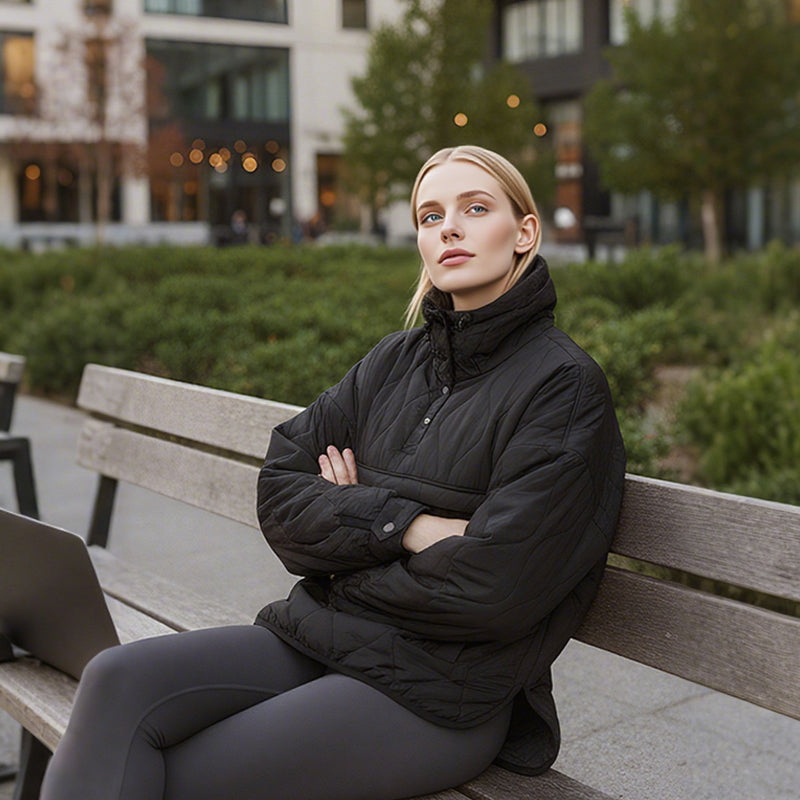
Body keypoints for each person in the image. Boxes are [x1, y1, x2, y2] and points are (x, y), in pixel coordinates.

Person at [41, 146, 626, 800]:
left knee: (180, 778)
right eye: (431, 216)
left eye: (476, 208)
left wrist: (341, 548)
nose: (449, 228)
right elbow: (282, 491)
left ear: (525, 233)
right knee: (115, 680)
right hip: (319, 639)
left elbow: (494, 587)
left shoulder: (563, 389)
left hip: (438, 692)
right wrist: (406, 527)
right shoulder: (395, 361)